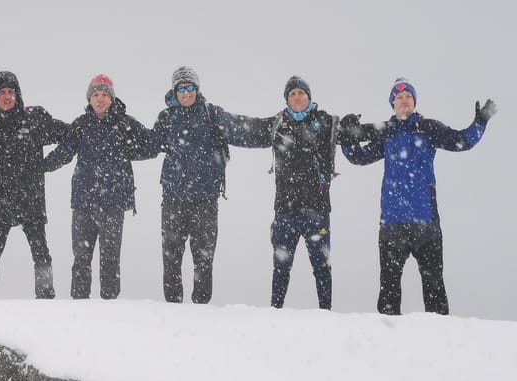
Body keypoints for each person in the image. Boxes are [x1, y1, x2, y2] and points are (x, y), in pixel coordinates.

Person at [338, 77, 496, 315]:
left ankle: (441, 341)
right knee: (389, 291)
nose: (404, 101)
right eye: (399, 98)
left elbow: (461, 141)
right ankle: (387, 340)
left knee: (434, 288)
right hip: (392, 224)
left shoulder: (428, 128)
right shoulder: (386, 132)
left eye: (408, 97)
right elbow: (358, 157)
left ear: (414, 101)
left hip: (426, 224)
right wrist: (348, 137)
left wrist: (480, 122)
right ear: (393, 103)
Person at [147, 66, 263, 304]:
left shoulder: (211, 114)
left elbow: (242, 130)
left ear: (197, 89)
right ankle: (173, 308)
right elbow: (147, 146)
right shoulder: (166, 117)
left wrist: (275, 130)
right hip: (173, 200)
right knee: (171, 260)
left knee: (204, 261)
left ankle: (201, 311)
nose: (186, 93)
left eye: (190, 87)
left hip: (205, 202)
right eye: (181, 88)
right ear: (174, 91)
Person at [236, 76, 343, 310]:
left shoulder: (325, 122)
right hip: (285, 211)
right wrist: (219, 128)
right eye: (292, 94)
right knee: (281, 266)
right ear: (286, 99)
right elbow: (246, 130)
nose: (297, 97)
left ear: (309, 97)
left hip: (317, 210)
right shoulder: (277, 124)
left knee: (322, 267)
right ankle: (276, 311)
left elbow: (352, 133)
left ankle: (326, 314)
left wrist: (359, 129)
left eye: (301, 93)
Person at [43, 74, 152, 300]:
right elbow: (63, 153)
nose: (100, 99)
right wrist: (38, 167)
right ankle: (79, 306)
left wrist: (128, 152)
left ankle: (110, 307)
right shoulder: (81, 125)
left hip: (114, 205)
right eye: (95, 95)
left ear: (111, 98)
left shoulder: (125, 123)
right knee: (81, 259)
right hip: (83, 204)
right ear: (89, 99)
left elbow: (151, 146)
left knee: (110, 260)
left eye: (104, 95)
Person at [0, 71, 69, 299]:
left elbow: (70, 135)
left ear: (18, 95)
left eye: (11, 92)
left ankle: (46, 298)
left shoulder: (34, 119)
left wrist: (50, 163)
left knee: (41, 253)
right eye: (2, 92)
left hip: (30, 199)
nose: (7, 97)